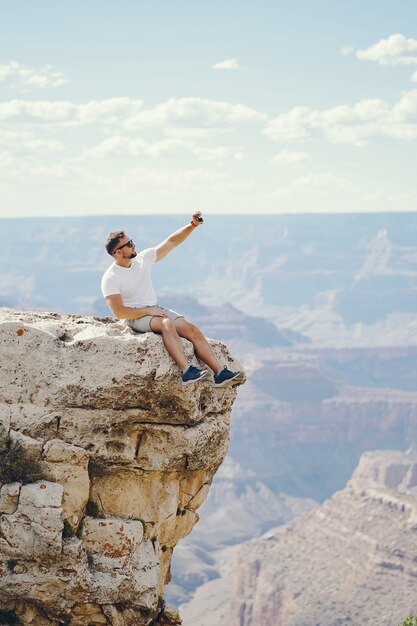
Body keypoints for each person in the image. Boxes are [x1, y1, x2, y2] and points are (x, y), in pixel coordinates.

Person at [101, 211, 245, 388]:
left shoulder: (142, 260)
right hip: (135, 317)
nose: (133, 245)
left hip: (154, 309)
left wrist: (192, 225)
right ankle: (186, 372)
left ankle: (220, 373)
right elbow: (119, 311)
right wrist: (149, 311)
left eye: (131, 241)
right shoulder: (111, 277)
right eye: (129, 244)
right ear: (117, 252)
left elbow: (171, 242)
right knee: (166, 324)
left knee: (191, 329)